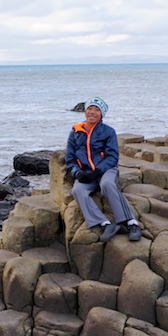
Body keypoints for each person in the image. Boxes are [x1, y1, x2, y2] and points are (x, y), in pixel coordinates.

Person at [65, 97, 143, 242]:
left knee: (107, 184)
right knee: (78, 190)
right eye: (90, 109)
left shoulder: (108, 132)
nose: (92, 112)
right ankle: (105, 224)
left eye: (96, 110)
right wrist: (78, 173)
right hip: (87, 173)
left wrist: (98, 171)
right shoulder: (75, 132)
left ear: (102, 114)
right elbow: (69, 159)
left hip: (107, 170)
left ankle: (131, 223)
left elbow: (112, 157)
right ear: (85, 111)